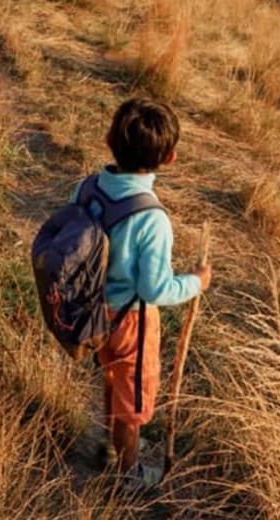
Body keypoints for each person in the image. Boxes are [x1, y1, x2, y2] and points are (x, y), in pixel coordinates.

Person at [69, 97, 212, 487]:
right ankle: (129, 475)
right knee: (132, 401)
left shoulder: (86, 188)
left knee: (111, 377)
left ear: (108, 139)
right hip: (132, 320)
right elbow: (155, 288)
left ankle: (109, 443)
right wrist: (195, 282)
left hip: (92, 312)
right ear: (170, 158)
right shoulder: (151, 218)